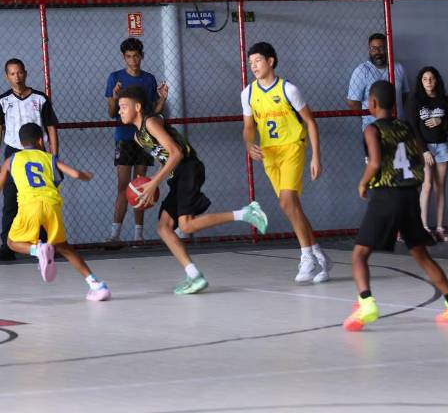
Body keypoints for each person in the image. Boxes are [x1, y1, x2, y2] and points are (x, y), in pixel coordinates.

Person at [342, 81, 448, 331]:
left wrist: (362, 183)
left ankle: (366, 301)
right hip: (409, 195)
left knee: (359, 254)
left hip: (386, 196)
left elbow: (376, 162)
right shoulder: (407, 127)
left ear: (373, 103)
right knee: (421, 255)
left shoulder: (371, 129)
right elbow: (420, 157)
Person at [117, 86, 268, 294]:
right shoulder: (138, 137)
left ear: (138, 107)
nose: (120, 111)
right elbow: (165, 158)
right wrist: (153, 180)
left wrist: (154, 183)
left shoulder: (150, 123)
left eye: (124, 106)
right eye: (119, 107)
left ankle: (247, 213)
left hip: (188, 168)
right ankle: (194, 275)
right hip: (176, 176)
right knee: (163, 228)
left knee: (185, 226)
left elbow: (176, 153)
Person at [241, 42, 331, 283]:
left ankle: (306, 257)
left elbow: (310, 122)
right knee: (292, 207)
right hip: (269, 154)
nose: (254, 66)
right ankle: (319, 256)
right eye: (251, 63)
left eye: (258, 61)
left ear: (271, 61)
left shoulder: (289, 89)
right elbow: (249, 128)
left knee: (287, 201)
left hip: (292, 147)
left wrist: (316, 156)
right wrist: (249, 144)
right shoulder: (248, 93)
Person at [0, 123, 110, 301]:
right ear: (40, 140)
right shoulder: (49, 157)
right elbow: (74, 174)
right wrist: (86, 175)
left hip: (30, 206)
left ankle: (38, 249)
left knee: (12, 242)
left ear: (21, 143)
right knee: (63, 247)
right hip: (52, 205)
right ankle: (97, 285)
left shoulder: (11, 159)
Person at [105, 38, 168, 243]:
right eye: (129, 57)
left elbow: (152, 113)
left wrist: (162, 99)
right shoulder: (115, 78)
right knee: (123, 186)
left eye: (136, 56)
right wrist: (115, 96)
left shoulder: (149, 79)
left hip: (144, 137)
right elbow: (111, 112)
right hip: (124, 137)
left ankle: (138, 235)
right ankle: (115, 235)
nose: (133, 60)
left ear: (142, 56)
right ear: (124, 58)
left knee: (141, 184)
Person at [0, 58, 59, 262]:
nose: (17, 77)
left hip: (37, 153)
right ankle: (7, 246)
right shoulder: (3, 101)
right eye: (12, 74)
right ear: (7, 76)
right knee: (10, 199)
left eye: (20, 73)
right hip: (14, 153)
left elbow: (51, 127)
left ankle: (44, 244)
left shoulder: (40, 98)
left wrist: (53, 154)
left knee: (41, 198)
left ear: (25, 73)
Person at [407, 66, 448, 242]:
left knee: (441, 187)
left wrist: (441, 120)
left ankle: (440, 227)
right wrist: (423, 150)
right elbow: (413, 127)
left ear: (437, 80)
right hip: (424, 148)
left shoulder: (444, 100)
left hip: (441, 146)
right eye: (425, 79)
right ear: (420, 81)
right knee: (427, 185)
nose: (429, 82)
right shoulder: (415, 99)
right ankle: (424, 227)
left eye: (431, 78)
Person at [347, 33, 410, 130]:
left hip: (398, 127)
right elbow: (353, 103)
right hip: (375, 129)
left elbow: (404, 95)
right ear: (369, 50)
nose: (377, 52)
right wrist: (370, 115)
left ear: (387, 49)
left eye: (381, 48)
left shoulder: (398, 68)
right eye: (373, 48)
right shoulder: (361, 70)